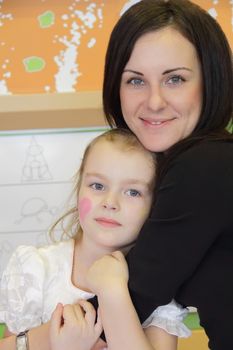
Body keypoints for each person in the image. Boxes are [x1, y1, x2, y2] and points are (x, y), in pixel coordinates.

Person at [89, 1, 232, 350]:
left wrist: (21, 343)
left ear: (210, 80)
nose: (154, 102)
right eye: (136, 80)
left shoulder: (207, 165)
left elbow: (136, 292)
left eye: (175, 79)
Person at [0, 128, 190, 350]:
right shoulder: (35, 270)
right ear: (79, 188)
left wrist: (113, 291)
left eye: (133, 192)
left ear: (156, 204)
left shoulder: (159, 289)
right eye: (97, 186)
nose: (110, 202)